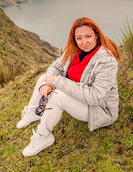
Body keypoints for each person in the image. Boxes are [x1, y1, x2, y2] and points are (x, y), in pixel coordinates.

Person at [17, 17, 120, 156]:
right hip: (78, 96)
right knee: (43, 78)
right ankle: (33, 112)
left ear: (96, 35)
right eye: (79, 38)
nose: (84, 42)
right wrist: (48, 83)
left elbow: (96, 97)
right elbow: (57, 66)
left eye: (88, 36)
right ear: (74, 39)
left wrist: (57, 82)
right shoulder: (73, 50)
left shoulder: (107, 61)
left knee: (56, 96)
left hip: (99, 109)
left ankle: (43, 136)